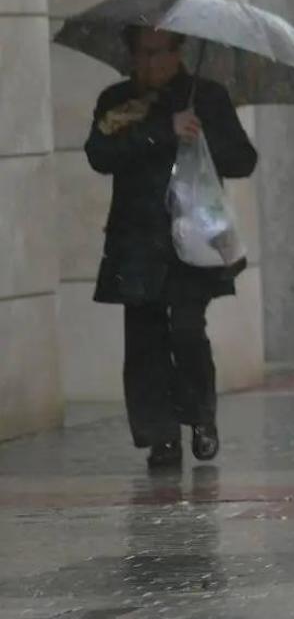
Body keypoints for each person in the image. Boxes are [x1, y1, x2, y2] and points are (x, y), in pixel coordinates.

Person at [85, 26, 257, 469]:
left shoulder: (208, 97)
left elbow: (244, 159)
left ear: (177, 53)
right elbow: (100, 154)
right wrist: (163, 129)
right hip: (136, 239)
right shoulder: (116, 101)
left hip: (192, 239)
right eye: (139, 55)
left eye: (156, 54)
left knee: (185, 329)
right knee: (143, 338)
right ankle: (159, 436)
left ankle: (201, 418)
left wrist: (201, 138)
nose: (147, 64)